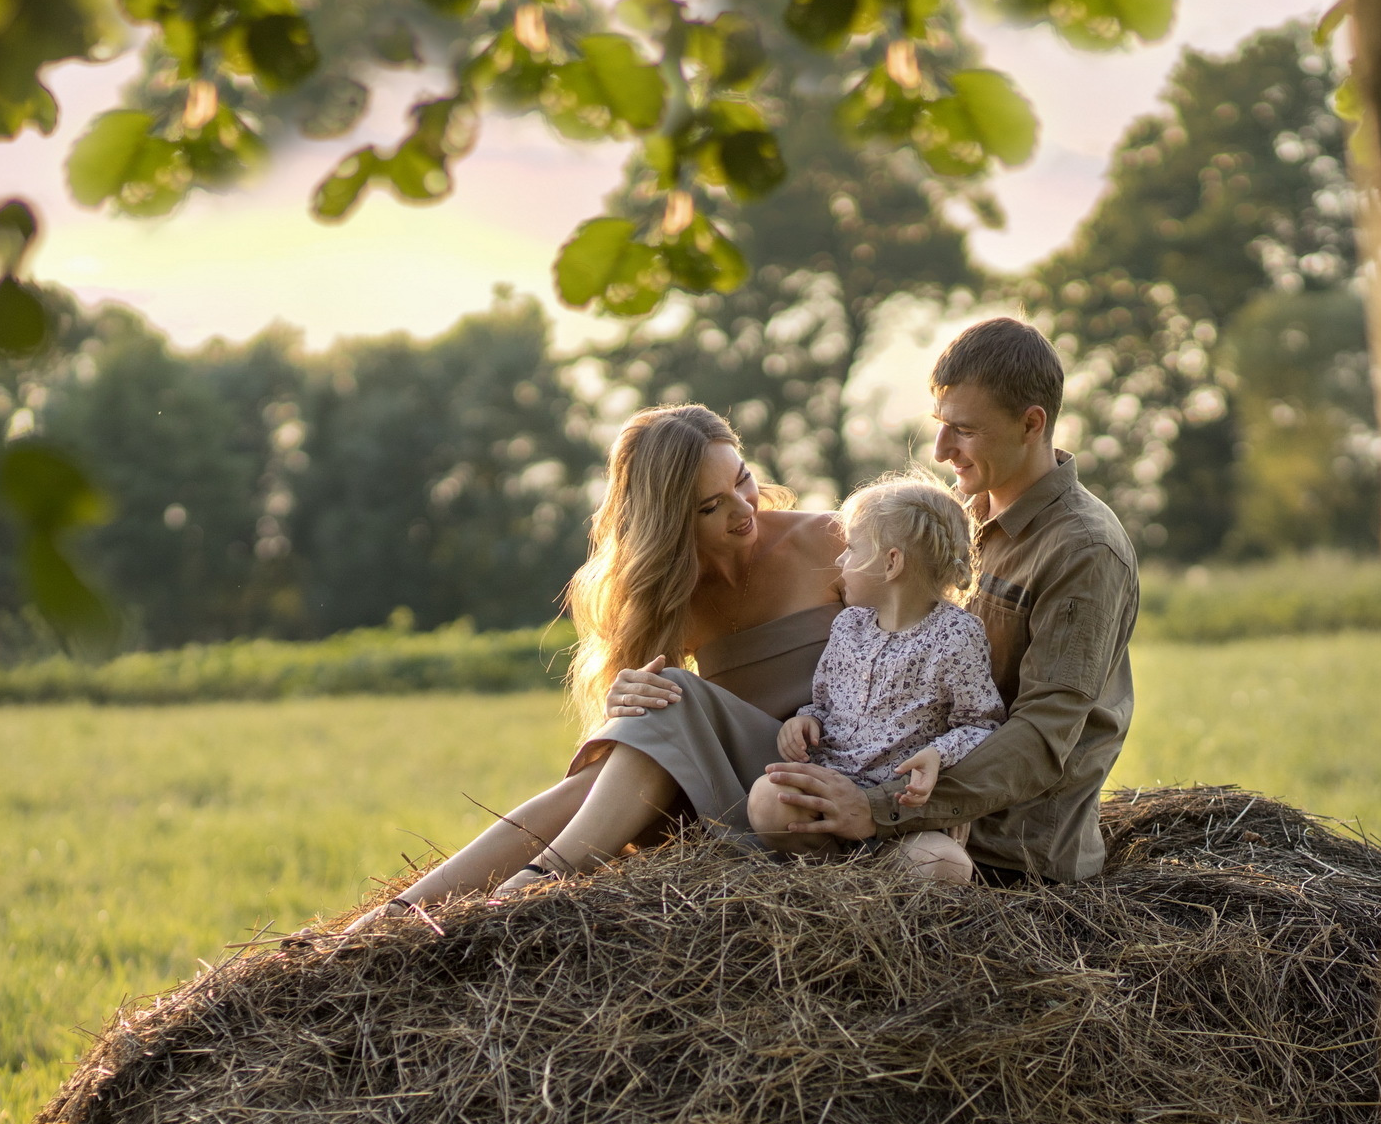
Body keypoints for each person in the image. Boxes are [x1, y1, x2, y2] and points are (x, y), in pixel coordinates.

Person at [341, 403, 845, 933]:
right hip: (731, 796)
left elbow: (928, 653)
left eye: (743, 480)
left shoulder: (830, 541)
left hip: (822, 780)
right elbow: (628, 747)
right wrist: (625, 700)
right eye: (709, 507)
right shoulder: (669, 594)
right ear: (669, 519)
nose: (743, 509)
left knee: (671, 689)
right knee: (627, 735)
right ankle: (392, 918)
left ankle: (534, 884)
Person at [755, 318, 1139, 883]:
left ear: (1032, 424)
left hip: (1001, 846)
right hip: (893, 796)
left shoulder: (1085, 550)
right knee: (762, 796)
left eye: (963, 430)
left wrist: (881, 808)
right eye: (940, 424)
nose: (940, 451)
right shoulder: (955, 516)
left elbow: (1041, 738)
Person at [748, 476, 1005, 885]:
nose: (840, 563)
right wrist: (806, 720)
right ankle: (834, 876)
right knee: (766, 798)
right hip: (832, 789)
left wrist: (939, 754)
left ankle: (876, 880)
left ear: (891, 562)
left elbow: (982, 723)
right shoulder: (848, 625)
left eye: (850, 549)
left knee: (947, 865)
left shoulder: (957, 635)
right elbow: (823, 703)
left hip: (900, 815)